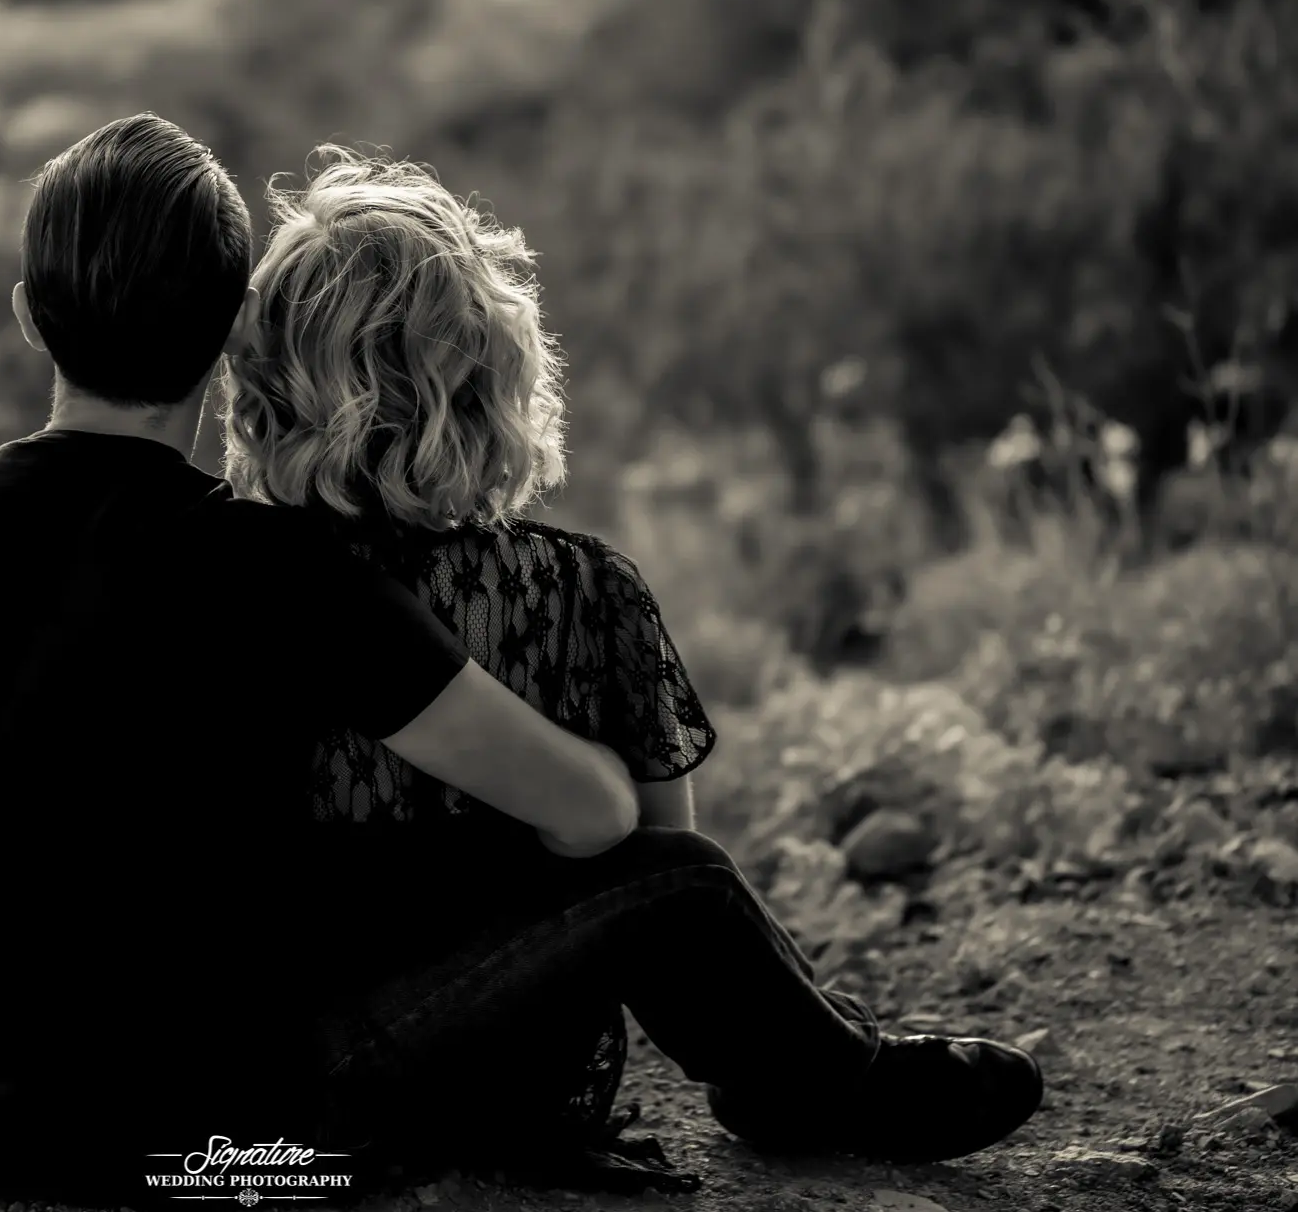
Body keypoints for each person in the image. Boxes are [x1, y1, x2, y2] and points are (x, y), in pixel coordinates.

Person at [0, 115, 649, 1208]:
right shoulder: (274, 564)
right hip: (208, 1150)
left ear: (29, 318)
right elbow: (590, 809)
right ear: (229, 334)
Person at [219, 146, 1045, 1188]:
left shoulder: (222, 580)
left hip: (259, 1083)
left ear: (269, 383)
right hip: (493, 1075)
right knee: (681, 880)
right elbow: (654, 867)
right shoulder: (580, 591)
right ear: (488, 375)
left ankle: (801, 1066)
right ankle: (823, 1074)